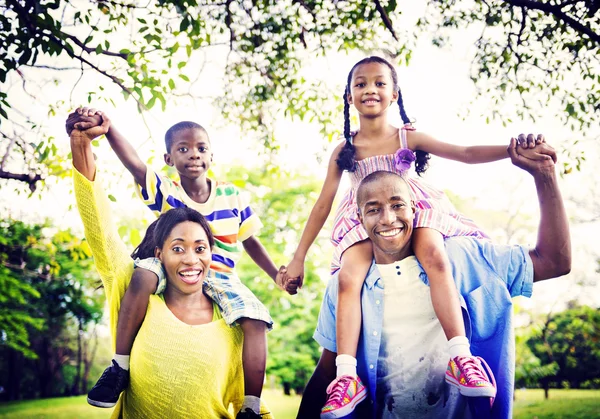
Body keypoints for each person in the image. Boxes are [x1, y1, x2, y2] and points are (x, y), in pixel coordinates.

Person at [282, 56, 548, 418]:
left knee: (436, 257)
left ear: (394, 94)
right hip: (365, 220)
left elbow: (465, 154)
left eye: (379, 83)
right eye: (360, 84)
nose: (370, 89)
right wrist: (297, 257)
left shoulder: (408, 136)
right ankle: (346, 378)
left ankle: (459, 355)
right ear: (349, 97)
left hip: (412, 211)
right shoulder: (345, 151)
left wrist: (512, 151)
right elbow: (322, 205)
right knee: (348, 279)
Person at [297, 137, 571, 418]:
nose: (388, 219)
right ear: (358, 217)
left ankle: (461, 359)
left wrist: (545, 176)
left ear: (415, 207)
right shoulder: (346, 284)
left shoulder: (467, 259)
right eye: (373, 209)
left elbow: (554, 262)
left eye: (397, 205)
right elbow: (325, 372)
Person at [65, 109, 297, 418]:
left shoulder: (232, 195)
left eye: (201, 148)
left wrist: (275, 276)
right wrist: (109, 131)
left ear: (211, 156)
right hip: (169, 268)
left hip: (222, 275)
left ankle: (251, 406)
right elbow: (135, 166)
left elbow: (250, 240)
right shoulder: (168, 192)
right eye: (183, 149)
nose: (194, 155)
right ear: (169, 158)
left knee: (256, 320)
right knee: (142, 276)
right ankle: (119, 367)